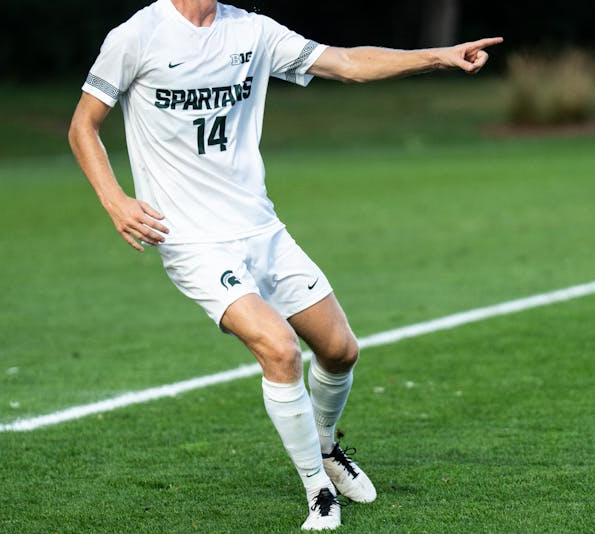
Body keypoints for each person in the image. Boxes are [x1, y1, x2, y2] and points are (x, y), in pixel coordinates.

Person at [68, 1, 501, 530]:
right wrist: (116, 201)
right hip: (192, 240)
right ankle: (317, 488)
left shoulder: (251, 30)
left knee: (340, 350)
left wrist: (439, 57)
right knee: (279, 349)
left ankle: (323, 448)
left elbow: (344, 62)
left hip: (261, 228)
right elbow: (82, 126)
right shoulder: (137, 36)